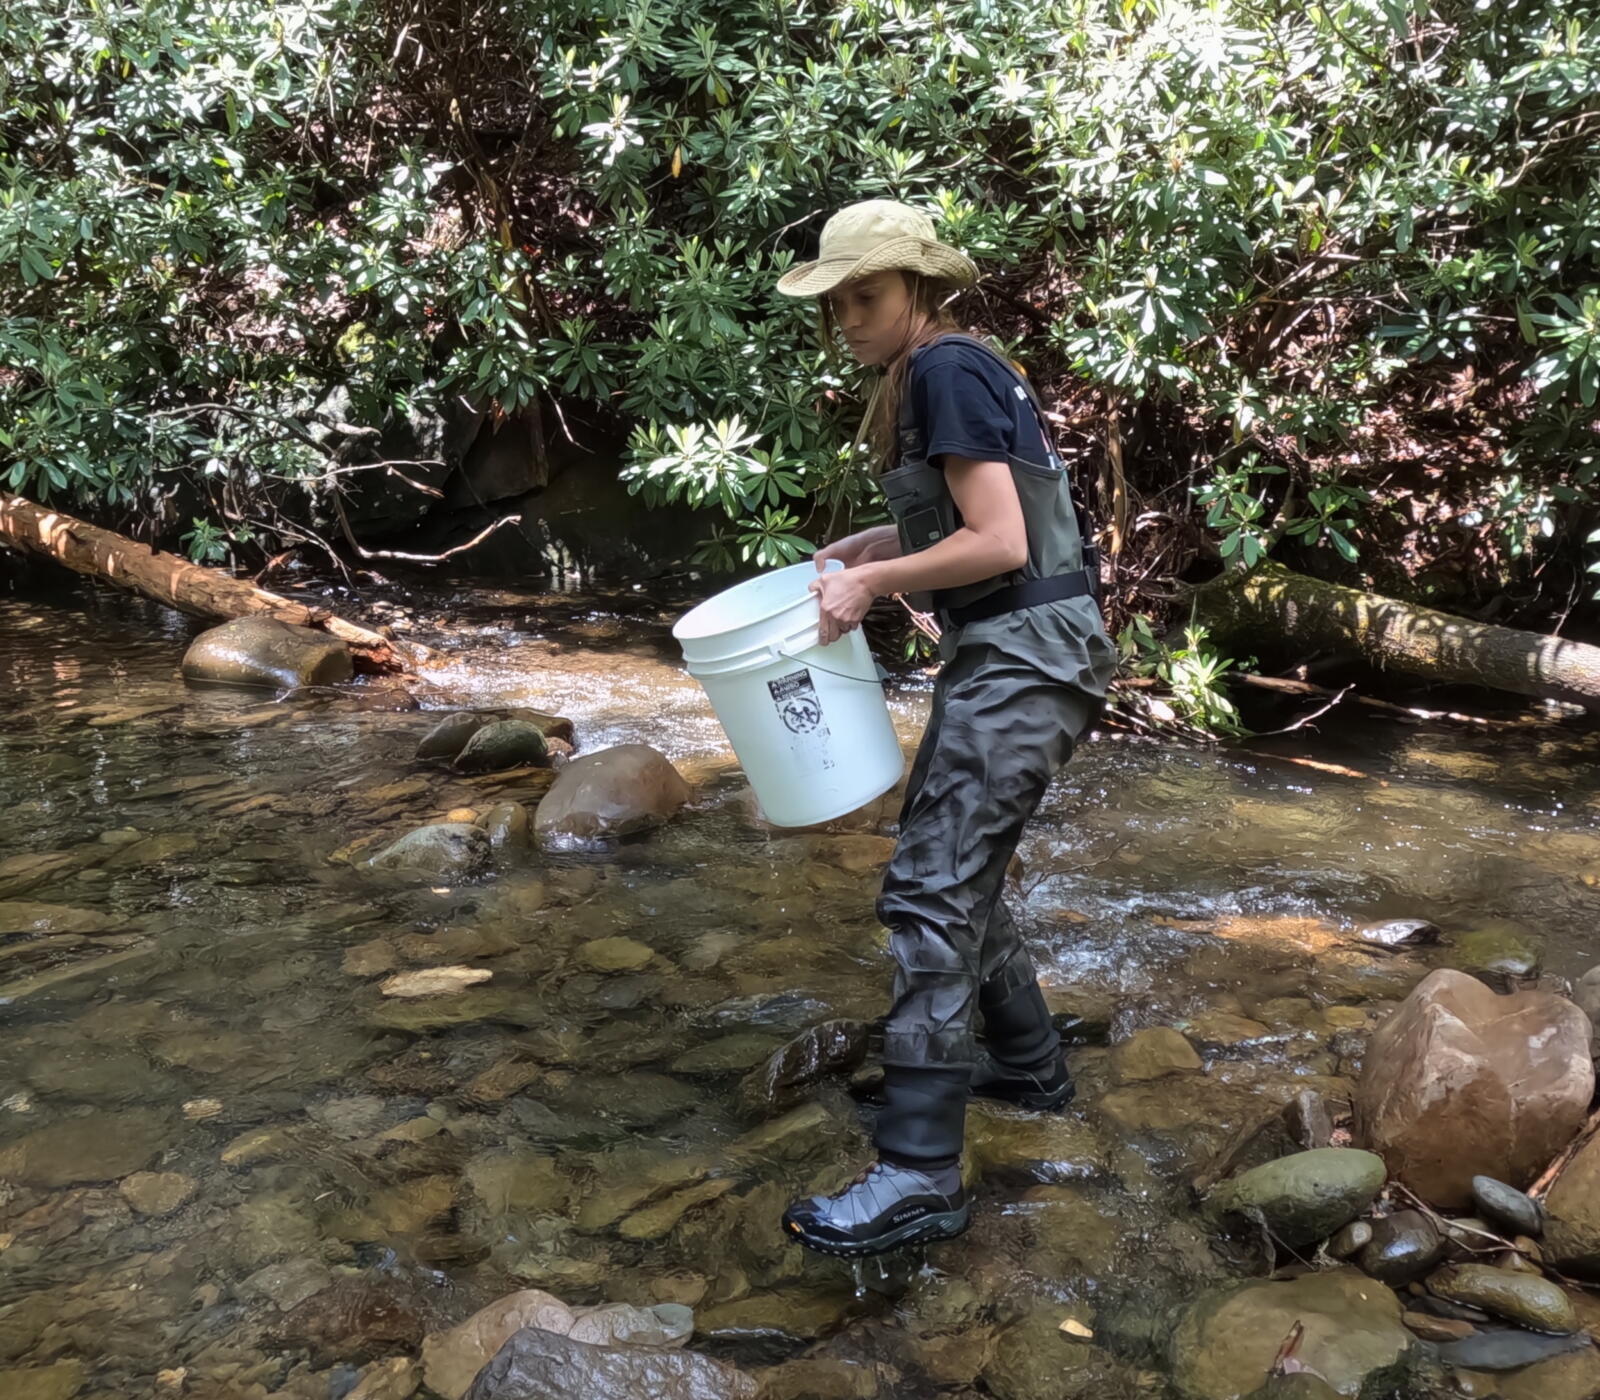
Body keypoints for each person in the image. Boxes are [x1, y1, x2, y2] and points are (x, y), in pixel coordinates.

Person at [772, 200, 1117, 1257]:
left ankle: (919, 1173)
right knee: (955, 863)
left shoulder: (944, 371)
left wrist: (871, 580)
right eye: (835, 300)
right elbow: (979, 518)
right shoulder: (955, 368)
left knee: (928, 886)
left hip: (1023, 655)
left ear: (918, 288)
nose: (846, 316)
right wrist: (878, 538)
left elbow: (999, 539)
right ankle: (1024, 1065)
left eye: (863, 295)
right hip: (1025, 652)